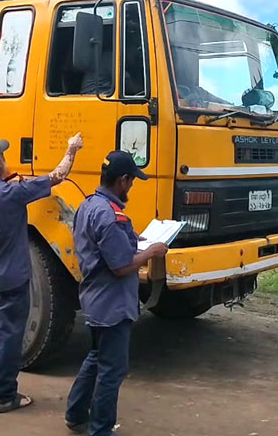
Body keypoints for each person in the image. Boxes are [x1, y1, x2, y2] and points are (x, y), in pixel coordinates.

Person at [0, 133, 84, 413]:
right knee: (10, 335)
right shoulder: (12, 194)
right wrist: (71, 149)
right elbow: (57, 176)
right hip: (12, 278)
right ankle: (4, 396)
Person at [65, 150, 168, 435]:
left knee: (97, 357)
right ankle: (100, 429)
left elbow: (100, 242)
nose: (132, 186)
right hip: (112, 303)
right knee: (112, 371)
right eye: (132, 181)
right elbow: (122, 266)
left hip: (96, 298)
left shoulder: (89, 204)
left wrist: (132, 239)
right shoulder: (112, 216)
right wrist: (151, 251)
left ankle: (75, 414)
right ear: (122, 180)